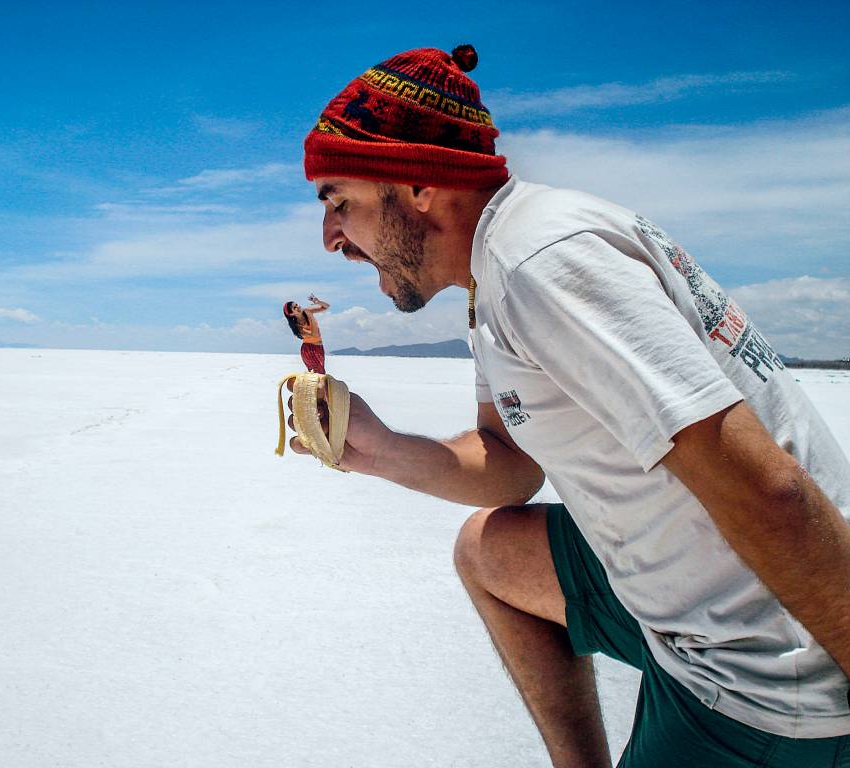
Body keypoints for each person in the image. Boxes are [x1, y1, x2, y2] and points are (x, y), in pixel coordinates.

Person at [289, 44, 850, 766]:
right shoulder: (496, 280)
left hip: (771, 666)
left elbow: (766, 490)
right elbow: (510, 467)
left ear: (418, 184)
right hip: (693, 594)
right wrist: (384, 450)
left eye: (340, 200)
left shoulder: (540, 262)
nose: (331, 237)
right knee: (490, 551)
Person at [283, 294, 329, 374]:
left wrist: (318, 302)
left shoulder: (307, 312)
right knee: (319, 374)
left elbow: (326, 307)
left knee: (319, 374)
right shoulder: (298, 326)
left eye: (297, 305)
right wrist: (311, 316)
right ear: (291, 314)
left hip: (319, 348)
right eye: (294, 307)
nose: (298, 307)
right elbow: (314, 335)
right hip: (309, 349)